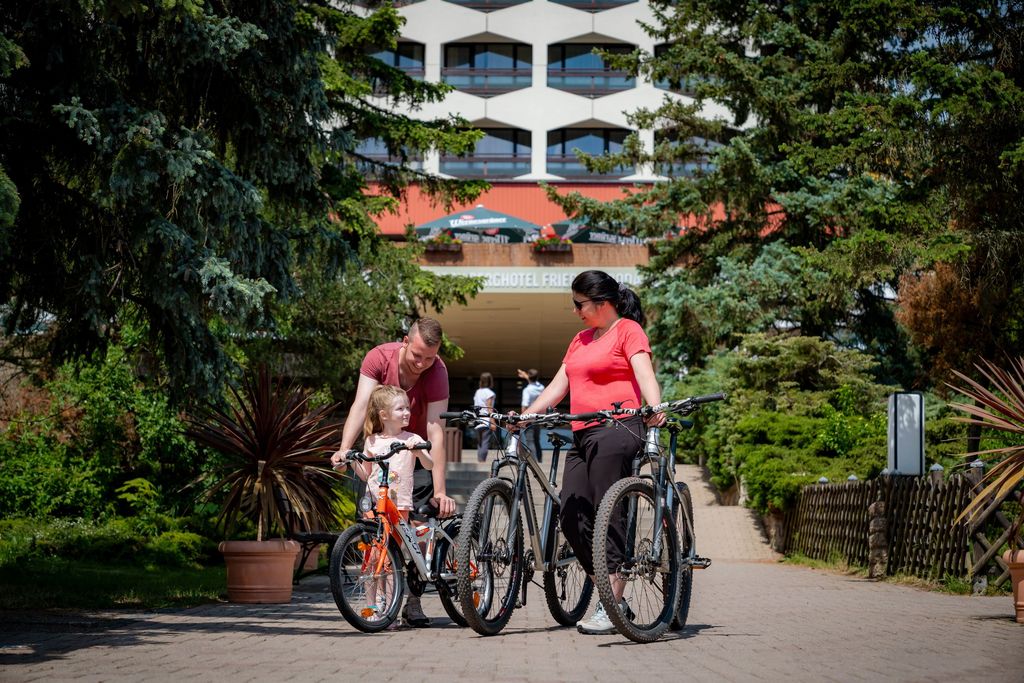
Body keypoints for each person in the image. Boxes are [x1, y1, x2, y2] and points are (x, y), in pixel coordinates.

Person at [521, 270, 665, 635]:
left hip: (619, 428)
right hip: (583, 432)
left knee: (607, 509)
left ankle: (612, 601)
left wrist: (654, 406)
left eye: (579, 304)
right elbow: (558, 386)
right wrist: (523, 417)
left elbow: (644, 371)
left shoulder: (628, 330)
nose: (576, 311)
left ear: (601, 303)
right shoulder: (580, 340)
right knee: (569, 513)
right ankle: (607, 589)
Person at [330, 317, 454, 628]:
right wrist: (346, 449)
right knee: (381, 538)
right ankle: (383, 602)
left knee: (417, 530)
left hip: (416, 448)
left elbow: (436, 429)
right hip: (385, 451)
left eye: (430, 357)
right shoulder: (378, 358)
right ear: (404, 341)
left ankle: (413, 602)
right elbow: (360, 406)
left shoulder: (437, 371)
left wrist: (440, 490)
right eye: (417, 355)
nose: (422, 363)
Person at [340, 385, 431, 626]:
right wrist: (350, 461)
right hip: (375, 507)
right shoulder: (372, 441)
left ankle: (390, 609)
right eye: (400, 408)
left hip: (399, 506)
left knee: (391, 561)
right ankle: (373, 605)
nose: (406, 413)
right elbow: (365, 473)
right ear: (383, 415)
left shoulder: (411, 438)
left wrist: (419, 452)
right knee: (371, 560)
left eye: (407, 408)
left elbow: (430, 464)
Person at [518, 368, 546, 462]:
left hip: (529, 418)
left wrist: (522, 419)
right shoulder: (541, 387)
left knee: (530, 441)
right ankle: (540, 459)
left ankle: (534, 462)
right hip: (538, 417)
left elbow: (524, 406)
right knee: (537, 440)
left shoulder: (527, 390)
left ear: (529, 377)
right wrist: (526, 375)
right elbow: (533, 382)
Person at [473, 372, 497, 462]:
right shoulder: (490, 393)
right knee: (485, 442)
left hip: (477, 419)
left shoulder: (477, 392)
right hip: (486, 420)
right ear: (490, 381)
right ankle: (482, 462)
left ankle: (480, 460)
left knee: (480, 443)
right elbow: (489, 408)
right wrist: (493, 422)